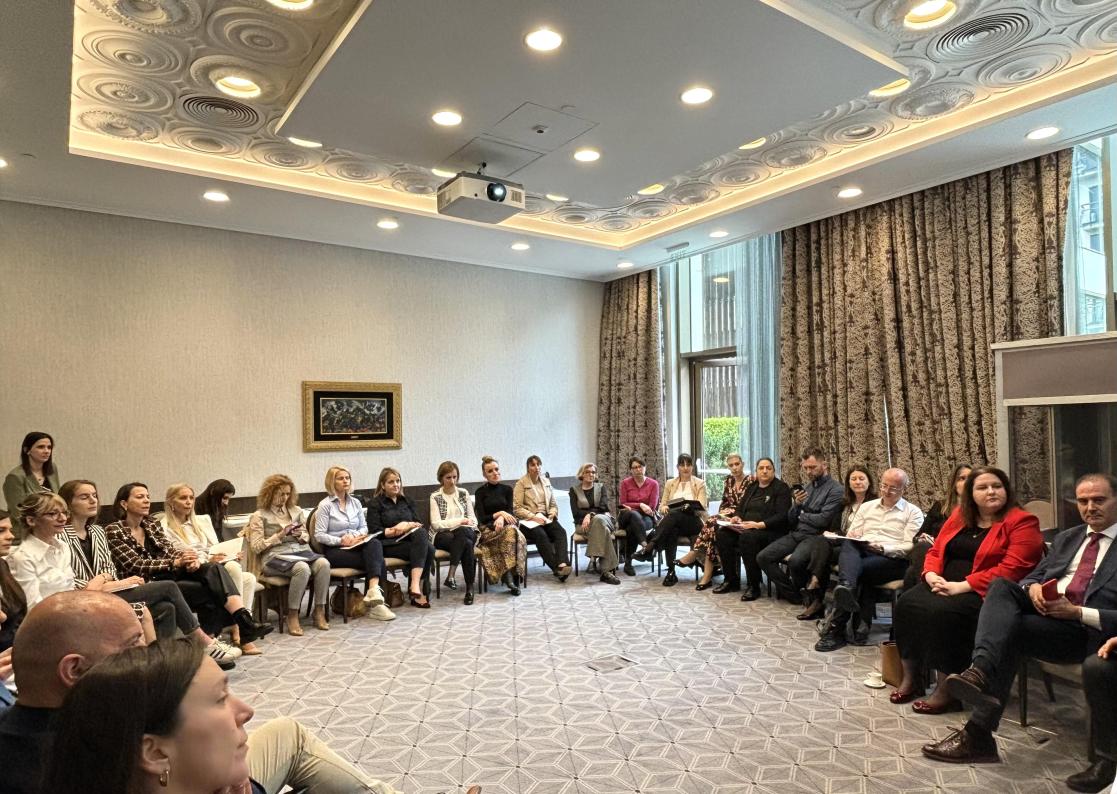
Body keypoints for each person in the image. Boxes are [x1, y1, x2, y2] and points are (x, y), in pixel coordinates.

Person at [1, 592, 427, 794]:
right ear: (74, 670)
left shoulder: (81, 720)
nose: (149, 653)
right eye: (134, 645)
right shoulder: (89, 752)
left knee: (285, 731)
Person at [921, 473, 1117, 789]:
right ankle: (979, 676)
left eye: (1099, 500)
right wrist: (1035, 587)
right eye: (1083, 501)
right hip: (1053, 622)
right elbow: (1030, 576)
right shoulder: (1070, 538)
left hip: (1098, 634)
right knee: (1002, 589)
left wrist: (1078, 611)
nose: (1090, 508)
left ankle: (1105, 762)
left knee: (1011, 631)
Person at [891, 466, 1043, 713]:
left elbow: (1015, 568)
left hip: (984, 592)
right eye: (982, 487)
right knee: (907, 604)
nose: (991, 492)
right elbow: (937, 550)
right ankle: (912, 678)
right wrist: (930, 575)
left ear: (1007, 490)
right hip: (943, 583)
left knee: (943, 614)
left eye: (997, 486)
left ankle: (946, 690)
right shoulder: (960, 515)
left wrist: (963, 586)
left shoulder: (1021, 521)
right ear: (970, 493)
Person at [58, 479, 239, 662]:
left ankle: (164, 661)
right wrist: (102, 584)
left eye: (94, 496)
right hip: (85, 598)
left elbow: (108, 567)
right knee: (168, 587)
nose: (93, 500)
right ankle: (202, 642)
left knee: (168, 606)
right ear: (68, 503)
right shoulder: (63, 535)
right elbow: (69, 578)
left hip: (114, 589)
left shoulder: (97, 531)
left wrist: (105, 580)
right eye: (84, 497)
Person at [105, 482, 272, 646]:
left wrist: (188, 559)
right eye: (140, 497)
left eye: (148, 497)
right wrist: (176, 562)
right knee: (209, 589)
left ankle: (241, 624)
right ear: (124, 503)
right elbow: (136, 564)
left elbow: (168, 549)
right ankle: (212, 641)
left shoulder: (150, 524)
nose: (147, 500)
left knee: (212, 569)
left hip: (167, 575)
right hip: (143, 583)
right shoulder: (114, 530)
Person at [815, 468, 924, 652]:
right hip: (863, 550)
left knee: (853, 571)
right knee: (849, 544)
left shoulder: (913, 512)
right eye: (884, 485)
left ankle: (836, 629)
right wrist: (857, 536)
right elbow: (852, 533)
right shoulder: (867, 506)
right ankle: (847, 589)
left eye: (893, 488)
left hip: (891, 559)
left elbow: (909, 546)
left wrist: (884, 548)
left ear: (904, 489)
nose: (886, 491)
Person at [161, 482, 260, 652]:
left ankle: (242, 627)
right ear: (171, 502)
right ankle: (241, 626)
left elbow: (214, 546)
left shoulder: (202, 521)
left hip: (209, 566)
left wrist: (229, 554)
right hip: (189, 569)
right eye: (183, 498)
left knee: (248, 578)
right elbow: (179, 554)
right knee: (233, 570)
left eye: (191, 498)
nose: (189, 502)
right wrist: (209, 558)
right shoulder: (164, 527)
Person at [756, 447, 845, 605]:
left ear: (824, 465)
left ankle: (805, 594)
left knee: (796, 562)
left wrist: (802, 514)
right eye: (806, 468)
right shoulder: (807, 487)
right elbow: (791, 519)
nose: (809, 471)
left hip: (816, 537)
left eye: (813, 467)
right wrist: (796, 505)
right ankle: (795, 594)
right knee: (763, 557)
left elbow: (823, 520)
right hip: (797, 533)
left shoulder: (836, 489)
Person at [245, 475, 331, 635]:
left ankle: (319, 610)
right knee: (302, 569)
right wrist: (279, 535)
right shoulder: (259, 515)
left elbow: (306, 537)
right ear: (270, 493)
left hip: (300, 552)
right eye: (280, 494)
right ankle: (292, 614)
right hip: (273, 556)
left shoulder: (296, 511)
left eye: (287, 494)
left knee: (324, 564)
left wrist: (300, 535)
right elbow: (256, 547)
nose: (284, 498)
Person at [794, 466, 876, 620]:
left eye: (861, 478)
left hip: (860, 548)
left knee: (822, 553)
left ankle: (815, 590)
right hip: (842, 542)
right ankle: (816, 586)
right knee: (822, 542)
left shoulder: (876, 504)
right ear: (848, 483)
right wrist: (834, 534)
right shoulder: (844, 504)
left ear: (869, 482)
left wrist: (844, 535)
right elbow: (836, 528)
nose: (857, 482)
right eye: (853, 479)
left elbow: (876, 528)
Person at [313, 466, 394, 620]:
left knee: (375, 544)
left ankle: (373, 593)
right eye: (341, 478)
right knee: (378, 561)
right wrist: (341, 540)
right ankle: (378, 603)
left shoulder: (356, 502)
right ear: (332, 482)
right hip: (335, 551)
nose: (345, 481)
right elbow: (319, 535)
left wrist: (354, 536)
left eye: (347, 478)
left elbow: (364, 528)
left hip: (355, 545)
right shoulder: (325, 506)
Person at [712, 457, 791, 599]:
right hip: (747, 527)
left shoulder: (781, 488)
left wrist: (759, 525)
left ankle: (754, 585)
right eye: (761, 468)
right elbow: (740, 508)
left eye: (768, 468)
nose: (765, 471)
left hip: (770, 531)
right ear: (756, 471)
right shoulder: (752, 487)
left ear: (774, 470)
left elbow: (782, 516)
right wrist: (737, 518)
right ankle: (731, 580)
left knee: (747, 538)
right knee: (723, 534)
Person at [632, 453, 708, 587]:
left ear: (692, 467)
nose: (685, 468)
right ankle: (671, 572)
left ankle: (650, 546)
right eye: (682, 465)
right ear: (677, 467)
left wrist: (688, 507)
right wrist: (665, 508)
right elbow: (662, 506)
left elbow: (703, 506)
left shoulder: (699, 483)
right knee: (672, 528)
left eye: (688, 464)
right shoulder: (670, 483)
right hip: (674, 522)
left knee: (674, 516)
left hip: (694, 521)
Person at [680, 453, 750, 590]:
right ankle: (706, 576)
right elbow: (724, 502)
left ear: (743, 464)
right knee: (713, 534)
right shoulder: (728, 481)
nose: (735, 468)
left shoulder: (751, 480)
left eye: (737, 464)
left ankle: (696, 554)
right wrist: (723, 513)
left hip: (743, 515)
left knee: (712, 520)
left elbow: (750, 504)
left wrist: (732, 514)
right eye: (731, 465)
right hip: (727, 515)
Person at [366, 468, 435, 608]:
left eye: (398, 481)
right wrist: (396, 529)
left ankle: (415, 585)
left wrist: (407, 525)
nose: (396, 484)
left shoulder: (407, 501)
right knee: (429, 549)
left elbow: (418, 523)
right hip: (387, 544)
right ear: (382, 485)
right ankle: (418, 590)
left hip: (409, 542)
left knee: (422, 536)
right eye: (391, 482)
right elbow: (374, 531)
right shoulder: (375, 503)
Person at [903, 464, 973, 590]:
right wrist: (924, 538)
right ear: (954, 484)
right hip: (931, 553)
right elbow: (918, 536)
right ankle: (928, 589)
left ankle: (925, 591)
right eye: (962, 478)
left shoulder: (977, 510)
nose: (967, 482)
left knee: (911, 573)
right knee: (921, 546)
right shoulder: (940, 506)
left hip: (952, 555)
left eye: (970, 478)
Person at [513, 455, 572, 581]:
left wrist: (552, 513)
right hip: (528, 521)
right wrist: (533, 517)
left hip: (545, 517)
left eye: (538, 464)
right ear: (528, 468)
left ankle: (562, 563)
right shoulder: (521, 483)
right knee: (541, 535)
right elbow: (517, 508)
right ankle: (557, 568)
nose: (536, 467)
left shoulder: (546, 481)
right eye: (533, 465)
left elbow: (553, 504)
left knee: (560, 532)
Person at [473, 456, 525, 595]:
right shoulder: (480, 492)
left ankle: (509, 577)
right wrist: (498, 514)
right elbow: (482, 518)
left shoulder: (507, 489)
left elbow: (510, 513)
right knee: (513, 533)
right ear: (484, 474)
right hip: (488, 530)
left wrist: (502, 516)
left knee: (511, 531)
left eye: (496, 469)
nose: (495, 473)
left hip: (508, 526)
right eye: (490, 471)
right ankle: (513, 577)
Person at [429, 461, 479, 604]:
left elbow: (473, 519)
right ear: (441, 479)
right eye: (448, 478)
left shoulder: (463, 493)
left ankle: (451, 575)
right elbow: (436, 524)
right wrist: (458, 522)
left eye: (454, 477)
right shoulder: (435, 496)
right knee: (467, 543)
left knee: (464, 534)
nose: (452, 481)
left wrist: (465, 524)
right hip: (444, 535)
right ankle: (469, 588)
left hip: (466, 531)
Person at [568, 463, 621, 585]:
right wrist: (589, 515)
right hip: (583, 525)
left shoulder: (601, 487)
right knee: (604, 531)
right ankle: (606, 572)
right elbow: (576, 513)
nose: (591, 474)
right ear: (581, 474)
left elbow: (603, 507)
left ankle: (593, 558)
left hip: (605, 520)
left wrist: (589, 514)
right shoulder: (574, 490)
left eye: (593, 472)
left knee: (598, 520)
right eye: (587, 472)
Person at [3, 433, 58, 535]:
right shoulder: (15, 476)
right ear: (26, 450)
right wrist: (40, 527)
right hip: (25, 532)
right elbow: (18, 512)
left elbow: (57, 499)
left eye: (49, 447)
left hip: (50, 529)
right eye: (41, 447)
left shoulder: (52, 469)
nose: (46, 451)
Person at [617, 456, 660, 576]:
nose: (637, 469)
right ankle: (646, 546)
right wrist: (640, 504)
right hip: (626, 515)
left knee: (632, 527)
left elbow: (652, 506)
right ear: (631, 470)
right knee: (632, 514)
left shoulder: (653, 484)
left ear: (644, 467)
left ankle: (628, 563)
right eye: (634, 467)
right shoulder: (625, 483)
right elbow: (623, 503)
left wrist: (639, 507)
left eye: (640, 466)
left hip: (646, 518)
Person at [0, 511, 26, 651]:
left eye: (9, 530)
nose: (11, 536)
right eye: (1, 531)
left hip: (16, 646)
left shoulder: (2, 565)